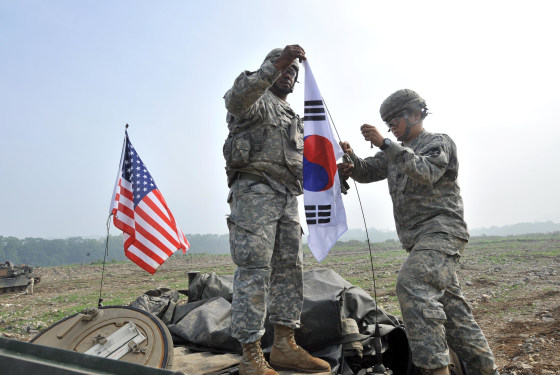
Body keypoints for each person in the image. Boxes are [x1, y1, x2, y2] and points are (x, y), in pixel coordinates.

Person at [338, 89, 499, 375]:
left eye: (395, 120)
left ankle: (436, 370)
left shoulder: (436, 143)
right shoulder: (392, 153)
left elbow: (425, 172)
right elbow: (367, 171)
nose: (392, 127)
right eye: (387, 123)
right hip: (420, 241)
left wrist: (386, 142)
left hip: (442, 232)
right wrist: (351, 158)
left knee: (413, 284)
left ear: (415, 113)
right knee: (457, 319)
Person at [223, 45, 331, 375]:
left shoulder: (294, 119)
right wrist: (275, 64)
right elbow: (235, 100)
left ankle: (284, 345)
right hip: (255, 192)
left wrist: (333, 174)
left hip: (287, 197)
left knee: (289, 270)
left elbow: (301, 163)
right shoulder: (254, 99)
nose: (288, 74)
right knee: (254, 270)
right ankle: (251, 355)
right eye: (284, 69)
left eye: (293, 73)